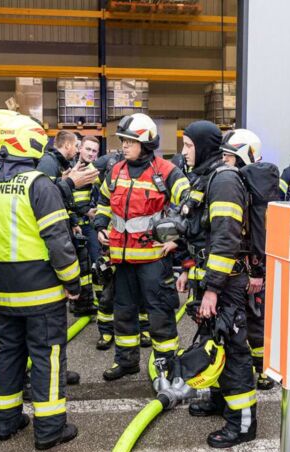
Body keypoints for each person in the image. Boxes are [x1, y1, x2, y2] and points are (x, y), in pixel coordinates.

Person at [0, 113, 80, 451]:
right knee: (48, 357)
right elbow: (58, 240)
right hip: (42, 291)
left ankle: (5, 422)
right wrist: (73, 282)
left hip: (6, 292)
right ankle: (50, 429)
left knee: (9, 354)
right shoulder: (38, 183)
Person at [175, 121, 257, 447]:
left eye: (188, 145)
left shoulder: (223, 181)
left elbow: (226, 240)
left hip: (226, 284)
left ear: (205, 147)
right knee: (215, 343)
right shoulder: (206, 178)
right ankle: (220, 400)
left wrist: (212, 289)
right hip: (212, 281)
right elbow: (199, 234)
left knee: (234, 350)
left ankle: (243, 423)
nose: (184, 152)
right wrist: (186, 268)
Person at [94, 113, 189, 380]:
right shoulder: (116, 170)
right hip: (122, 259)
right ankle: (126, 362)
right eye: (123, 141)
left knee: (159, 314)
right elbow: (103, 202)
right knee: (123, 311)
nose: (124, 145)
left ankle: (165, 365)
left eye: (130, 141)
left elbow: (190, 205)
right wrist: (100, 225)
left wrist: (177, 239)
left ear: (146, 143)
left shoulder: (167, 171)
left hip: (153, 260)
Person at [221, 128, 282, 391]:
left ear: (244, 155)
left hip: (252, 265)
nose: (224, 161)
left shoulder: (255, 184)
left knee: (256, 319)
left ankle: (265, 370)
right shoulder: (248, 181)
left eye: (229, 156)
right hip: (247, 264)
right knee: (249, 318)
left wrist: (257, 271)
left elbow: (260, 231)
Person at [91, 151, 152, 351]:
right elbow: (102, 208)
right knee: (108, 294)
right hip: (111, 249)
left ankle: (144, 329)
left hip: (135, 250)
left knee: (141, 294)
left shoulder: (138, 188)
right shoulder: (109, 186)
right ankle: (106, 332)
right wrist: (100, 228)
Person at [38, 130, 98, 317]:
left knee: (83, 262)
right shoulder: (49, 163)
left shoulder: (58, 163)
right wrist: (70, 182)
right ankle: (75, 302)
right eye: (78, 146)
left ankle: (82, 303)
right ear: (67, 145)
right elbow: (49, 196)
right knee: (69, 262)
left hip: (72, 221)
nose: (79, 150)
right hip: (56, 223)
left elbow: (62, 196)